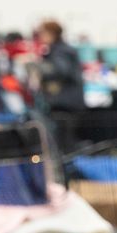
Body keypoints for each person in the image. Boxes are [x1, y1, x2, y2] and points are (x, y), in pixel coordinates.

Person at [36, 20, 84, 152]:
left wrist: (37, 68)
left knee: (64, 143)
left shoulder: (60, 51)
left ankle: (67, 169)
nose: (40, 36)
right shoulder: (62, 50)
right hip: (68, 102)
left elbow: (61, 70)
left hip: (64, 104)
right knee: (66, 142)